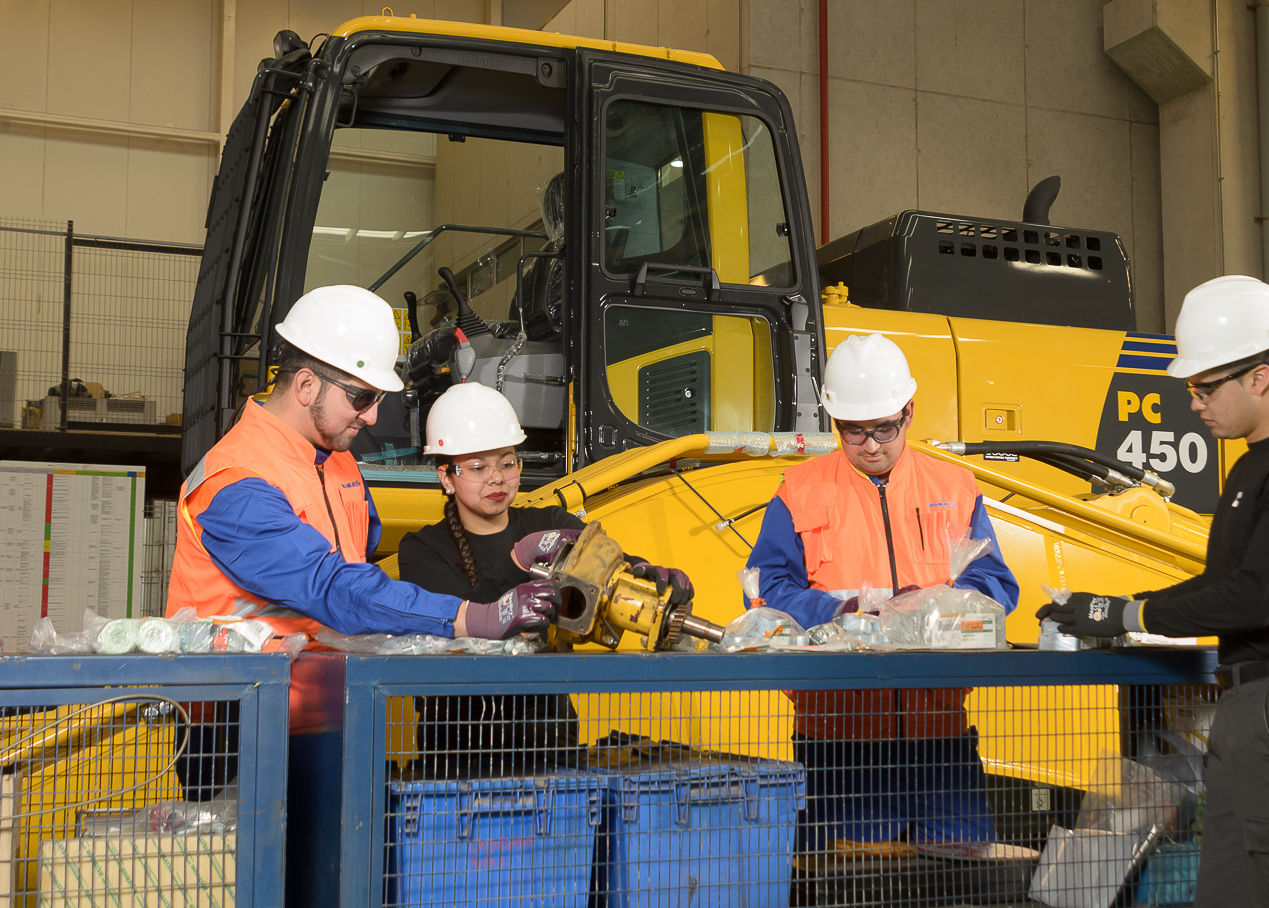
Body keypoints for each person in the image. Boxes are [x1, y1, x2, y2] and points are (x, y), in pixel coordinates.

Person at [1036, 275, 1269, 908]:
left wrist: (1128, 612)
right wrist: (1114, 609)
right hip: (1257, 708)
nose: (1193, 402)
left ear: (1259, 376)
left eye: (1204, 386)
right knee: (1231, 892)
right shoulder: (1255, 464)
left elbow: (1256, 597)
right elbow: (1223, 585)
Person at [166, 286, 559, 792]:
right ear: (306, 385)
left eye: (377, 400)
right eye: (362, 397)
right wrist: (468, 616)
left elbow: (362, 558)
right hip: (240, 722)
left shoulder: (339, 461)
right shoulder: (235, 482)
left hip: (326, 709)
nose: (372, 416)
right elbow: (330, 585)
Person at [745, 332, 1020, 852]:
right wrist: (840, 609)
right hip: (838, 746)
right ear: (834, 422)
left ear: (909, 412)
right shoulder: (799, 493)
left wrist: (939, 607)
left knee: (961, 880)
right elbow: (766, 590)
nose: (870, 444)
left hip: (941, 741)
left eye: (884, 428)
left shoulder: (955, 490)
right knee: (849, 887)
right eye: (853, 431)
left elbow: (996, 584)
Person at [398, 381, 692, 775]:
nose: (497, 478)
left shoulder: (550, 522)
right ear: (447, 478)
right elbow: (460, 622)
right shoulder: (421, 548)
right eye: (478, 467)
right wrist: (519, 560)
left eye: (507, 462)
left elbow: (604, 561)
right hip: (458, 744)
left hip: (549, 735)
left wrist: (645, 572)